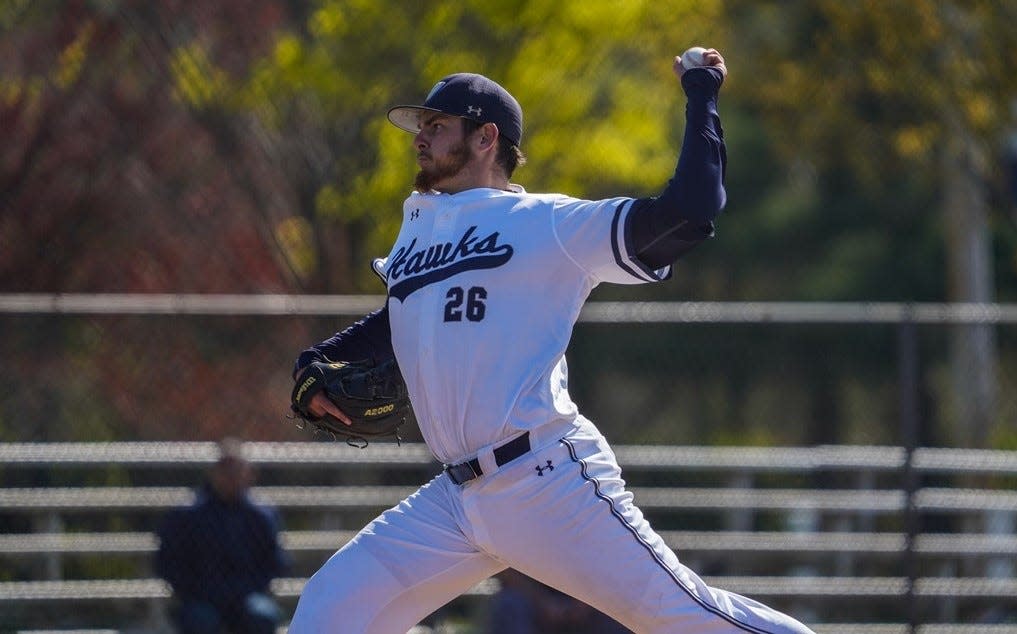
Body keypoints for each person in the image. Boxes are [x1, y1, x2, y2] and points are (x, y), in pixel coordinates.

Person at [289, 49, 816, 633]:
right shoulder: (421, 232)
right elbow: (397, 319)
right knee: (331, 606)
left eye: (437, 126)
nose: (421, 138)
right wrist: (316, 364)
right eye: (421, 128)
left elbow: (688, 212)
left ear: (486, 136)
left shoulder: (547, 225)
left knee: (680, 616)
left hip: (543, 478)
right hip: (456, 500)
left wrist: (700, 94)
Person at [155, 438, 290, 634]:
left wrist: (243, 589)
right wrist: (199, 591)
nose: (231, 478)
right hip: (200, 598)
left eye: (237, 471)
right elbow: (168, 563)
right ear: (213, 473)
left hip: (247, 596)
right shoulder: (188, 515)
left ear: (249, 474)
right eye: (225, 470)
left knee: (262, 616)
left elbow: (275, 563)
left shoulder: (260, 516)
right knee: (201, 620)